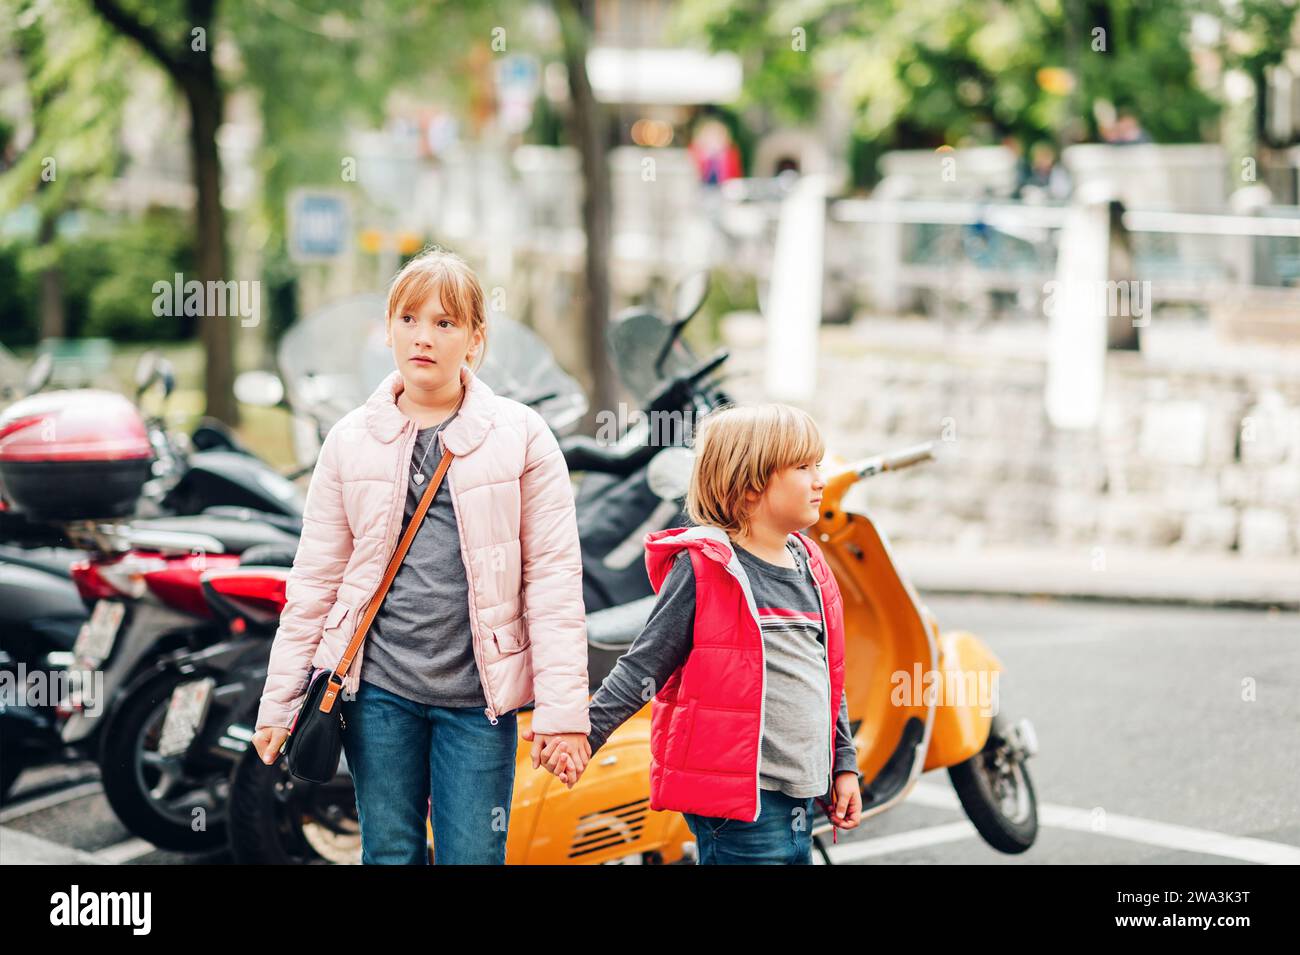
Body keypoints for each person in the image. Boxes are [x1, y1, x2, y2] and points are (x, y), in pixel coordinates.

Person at [250, 246, 590, 864]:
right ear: (387, 331)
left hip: (477, 701)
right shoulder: (350, 439)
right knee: (389, 854)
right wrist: (278, 703)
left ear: (475, 338)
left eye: (444, 322)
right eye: (408, 320)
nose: (423, 337)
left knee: (473, 856)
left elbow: (554, 582)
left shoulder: (522, 436)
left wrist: (563, 715)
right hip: (378, 694)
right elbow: (315, 582)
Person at [549, 403, 863, 864]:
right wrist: (586, 733)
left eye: (818, 465)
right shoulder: (705, 569)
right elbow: (646, 663)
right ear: (752, 483)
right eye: (803, 467)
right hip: (738, 805)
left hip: (800, 791)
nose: (820, 479)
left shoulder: (810, 567)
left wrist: (844, 765)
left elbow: (828, 677)